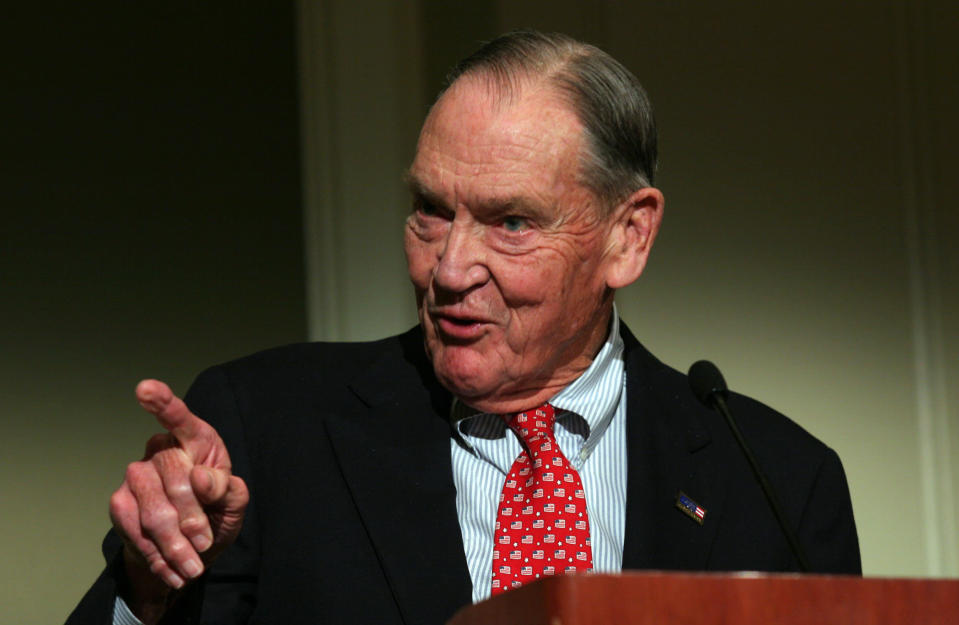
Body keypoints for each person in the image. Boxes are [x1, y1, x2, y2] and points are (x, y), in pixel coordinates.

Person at [68, 30, 860, 625]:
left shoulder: (778, 482)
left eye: (510, 221)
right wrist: (150, 580)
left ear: (628, 236)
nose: (448, 268)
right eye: (430, 211)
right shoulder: (265, 426)